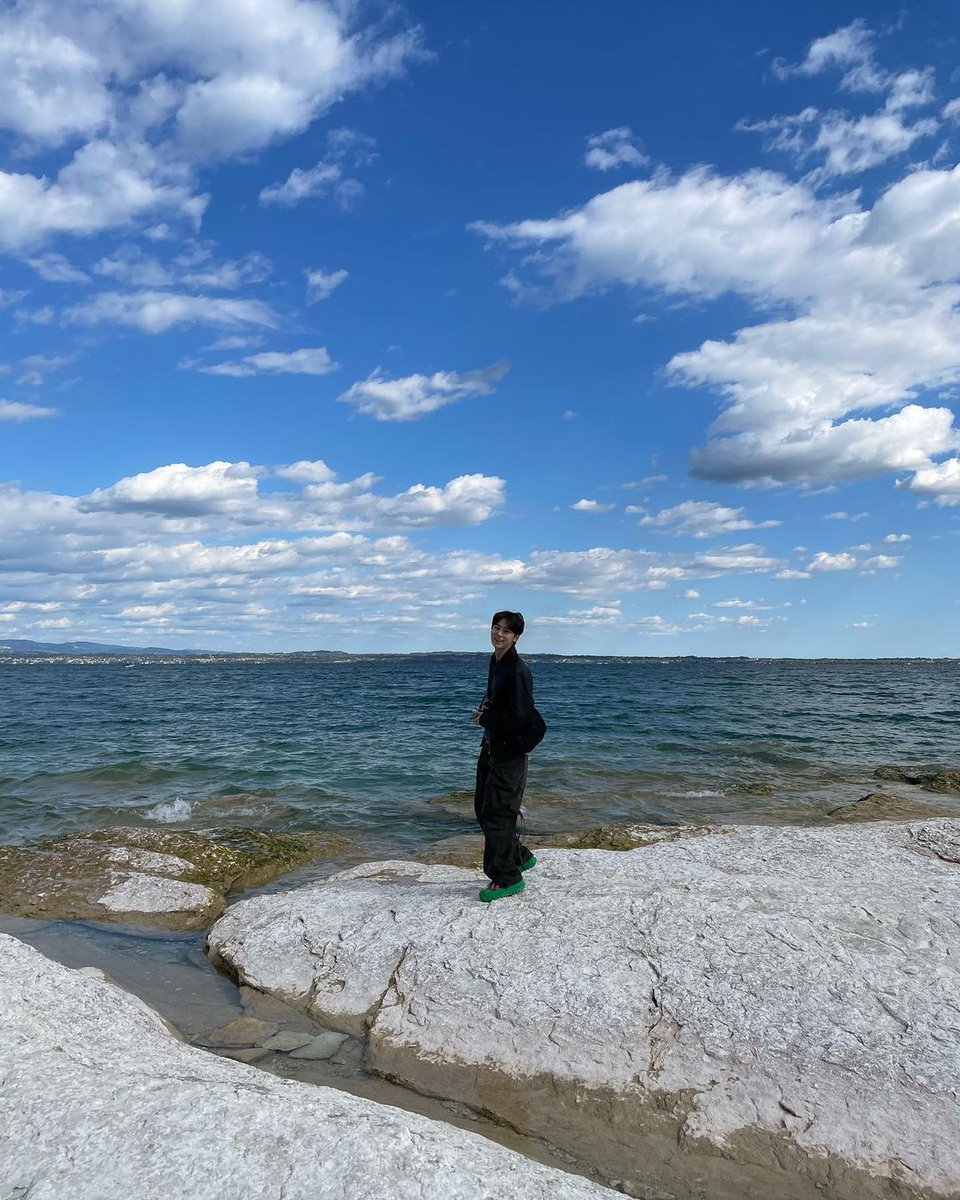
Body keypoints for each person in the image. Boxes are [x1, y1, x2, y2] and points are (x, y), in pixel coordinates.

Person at [472, 610, 539, 903]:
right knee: (482, 808)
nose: (499, 634)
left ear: (516, 637)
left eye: (506, 631)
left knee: (497, 813)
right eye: (496, 627)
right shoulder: (496, 661)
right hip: (492, 746)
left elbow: (520, 719)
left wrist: (485, 718)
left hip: (509, 753)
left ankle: (507, 877)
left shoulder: (517, 671)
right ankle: (519, 855)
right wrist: (486, 716)